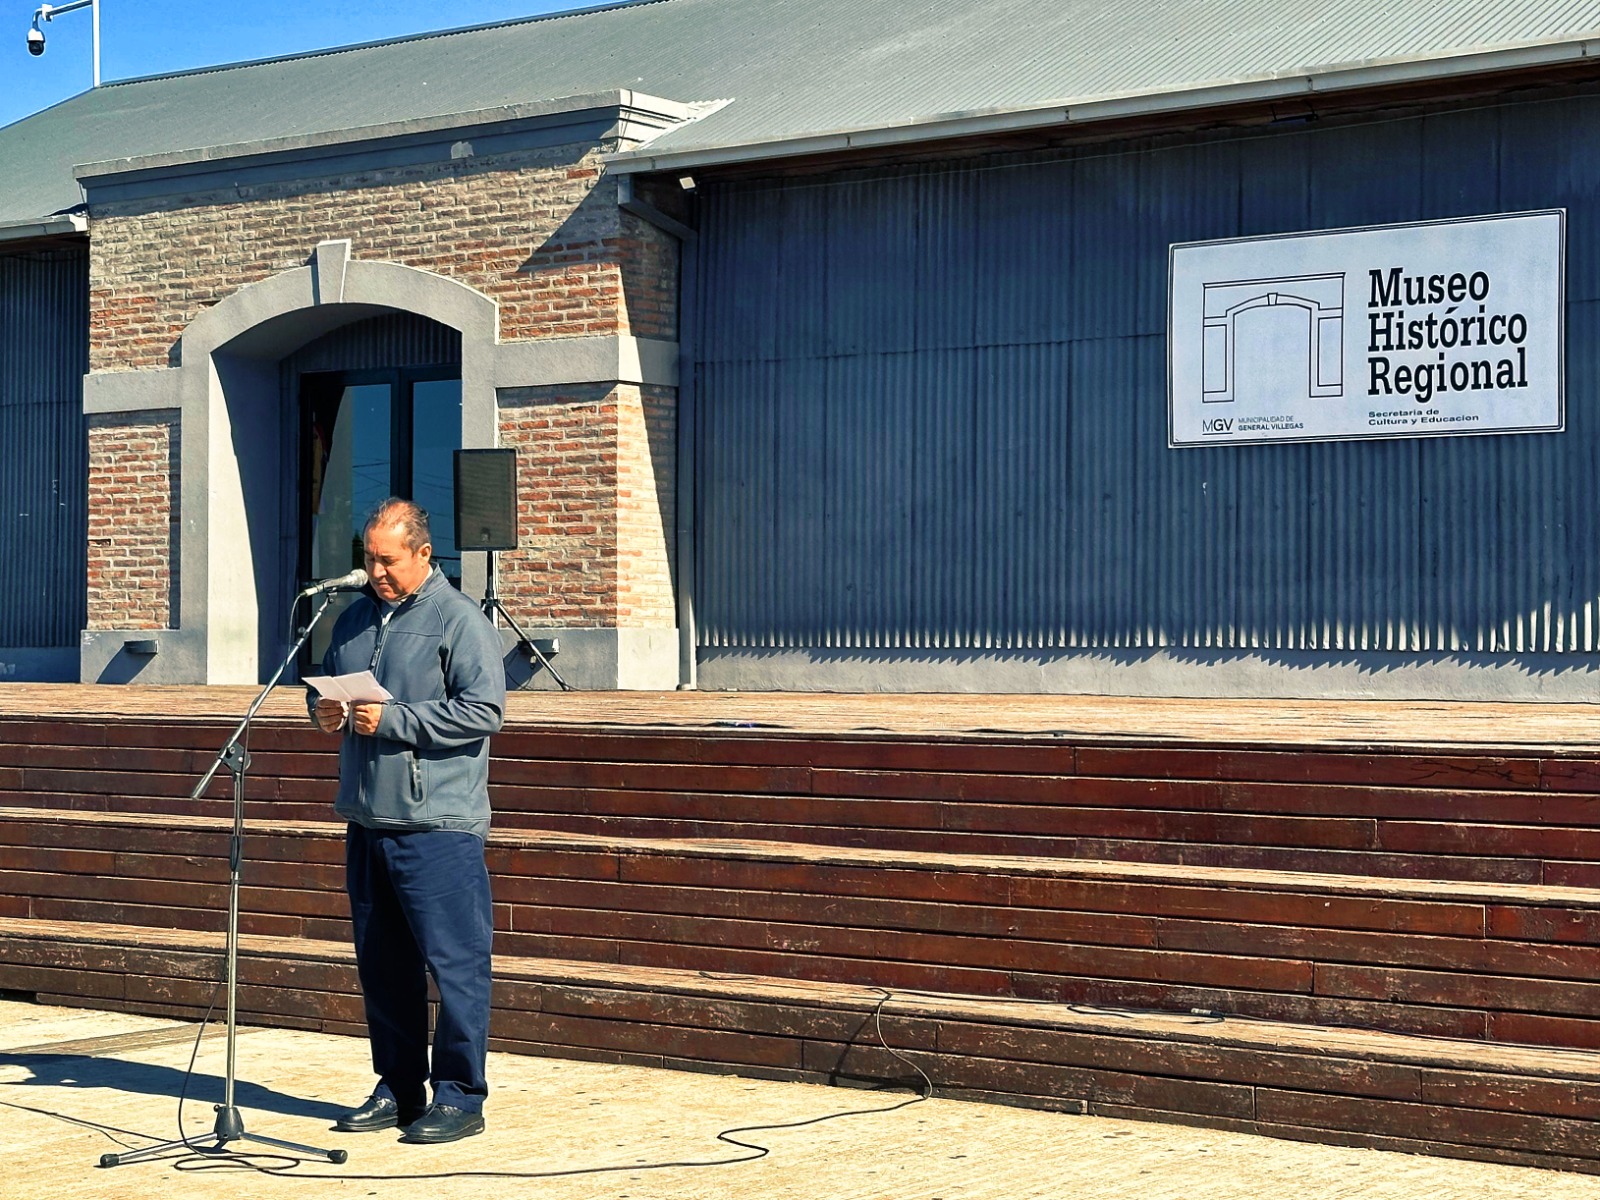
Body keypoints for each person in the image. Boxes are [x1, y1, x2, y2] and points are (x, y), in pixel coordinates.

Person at [309, 497, 506, 1145]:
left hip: (438, 823)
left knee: (455, 966)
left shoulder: (459, 620)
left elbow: (484, 711)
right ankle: (397, 1088)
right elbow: (331, 693)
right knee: (383, 967)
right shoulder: (352, 619)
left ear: (423, 553)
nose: (376, 572)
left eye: (388, 560)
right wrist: (324, 712)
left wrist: (395, 721)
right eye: (368, 559)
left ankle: (460, 1097)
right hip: (368, 818)